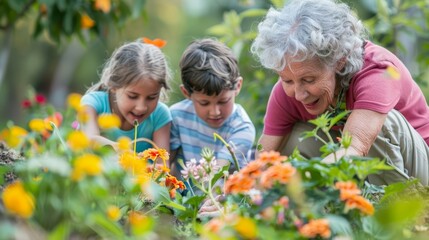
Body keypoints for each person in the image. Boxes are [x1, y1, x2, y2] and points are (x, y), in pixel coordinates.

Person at [250, 0, 429, 186]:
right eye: (287, 80)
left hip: (419, 168)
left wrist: (308, 182)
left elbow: (354, 148)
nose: (299, 94)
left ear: (339, 61)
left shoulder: (379, 71)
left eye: (309, 80)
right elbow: (263, 160)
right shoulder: (289, 91)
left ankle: (398, 208)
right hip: (359, 170)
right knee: (292, 140)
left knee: (383, 123)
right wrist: (241, 194)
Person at [170, 38, 256, 180]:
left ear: (238, 86)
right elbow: (165, 166)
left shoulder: (242, 128)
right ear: (186, 93)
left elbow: (215, 178)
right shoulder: (177, 117)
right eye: (204, 103)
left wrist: (204, 202)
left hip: (220, 198)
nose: (215, 112)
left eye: (223, 101)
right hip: (181, 199)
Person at [80, 40, 172, 157]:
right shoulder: (92, 103)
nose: (141, 108)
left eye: (151, 97)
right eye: (132, 96)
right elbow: (89, 140)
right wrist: (125, 152)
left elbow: (162, 164)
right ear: (113, 85)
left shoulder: (160, 115)